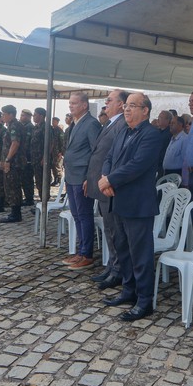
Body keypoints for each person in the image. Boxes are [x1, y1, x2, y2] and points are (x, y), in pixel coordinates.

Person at [98, 92, 164, 321]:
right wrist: (105, 177)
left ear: (145, 110)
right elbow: (109, 158)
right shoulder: (123, 131)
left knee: (140, 255)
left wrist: (110, 180)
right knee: (123, 250)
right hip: (118, 200)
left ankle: (144, 301)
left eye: (133, 106)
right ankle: (129, 291)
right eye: (126, 105)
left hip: (138, 204)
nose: (127, 109)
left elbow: (137, 165)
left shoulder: (151, 135)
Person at [85, 89, 128, 283]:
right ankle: (112, 267)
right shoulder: (110, 122)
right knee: (109, 231)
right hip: (100, 184)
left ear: (121, 104)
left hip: (109, 186)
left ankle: (118, 271)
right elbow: (98, 153)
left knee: (114, 231)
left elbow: (116, 157)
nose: (106, 104)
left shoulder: (121, 124)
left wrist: (107, 180)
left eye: (110, 100)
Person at [63, 92, 103, 268]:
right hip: (72, 176)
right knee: (76, 215)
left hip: (82, 177)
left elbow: (97, 152)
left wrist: (90, 177)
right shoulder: (75, 123)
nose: (70, 106)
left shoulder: (91, 123)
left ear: (84, 105)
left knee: (84, 214)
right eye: (70, 103)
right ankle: (80, 251)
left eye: (74, 103)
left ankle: (87, 254)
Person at [0, 105, 26, 224]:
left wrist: (8, 160)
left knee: (13, 187)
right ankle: (14, 211)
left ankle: (16, 214)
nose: (2, 117)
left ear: (11, 115)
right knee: (10, 186)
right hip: (11, 160)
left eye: (4, 114)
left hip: (15, 162)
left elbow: (15, 144)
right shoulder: (11, 125)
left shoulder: (14, 125)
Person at [19, 109, 36, 207]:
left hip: (28, 157)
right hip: (23, 156)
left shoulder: (30, 127)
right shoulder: (23, 127)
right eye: (21, 115)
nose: (22, 117)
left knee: (27, 179)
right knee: (24, 178)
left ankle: (29, 198)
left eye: (24, 116)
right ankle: (28, 197)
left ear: (29, 117)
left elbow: (28, 143)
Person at [156, 110, 173, 175]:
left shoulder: (169, 133)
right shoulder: (157, 131)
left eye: (160, 117)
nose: (158, 119)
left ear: (167, 120)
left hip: (163, 165)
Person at [50, 116, 65, 186]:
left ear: (57, 122)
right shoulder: (52, 129)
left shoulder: (59, 130)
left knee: (58, 167)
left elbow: (62, 142)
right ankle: (55, 179)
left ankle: (59, 180)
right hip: (53, 152)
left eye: (54, 121)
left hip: (57, 152)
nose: (53, 122)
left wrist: (61, 152)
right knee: (53, 166)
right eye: (52, 121)